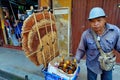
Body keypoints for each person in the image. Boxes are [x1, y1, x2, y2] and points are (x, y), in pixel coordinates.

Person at [75, 7, 120, 80]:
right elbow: (81, 49)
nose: (96, 24)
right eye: (92, 21)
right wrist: (76, 60)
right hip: (92, 64)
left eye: (99, 20)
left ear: (105, 20)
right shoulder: (86, 34)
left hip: (107, 63)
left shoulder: (115, 31)